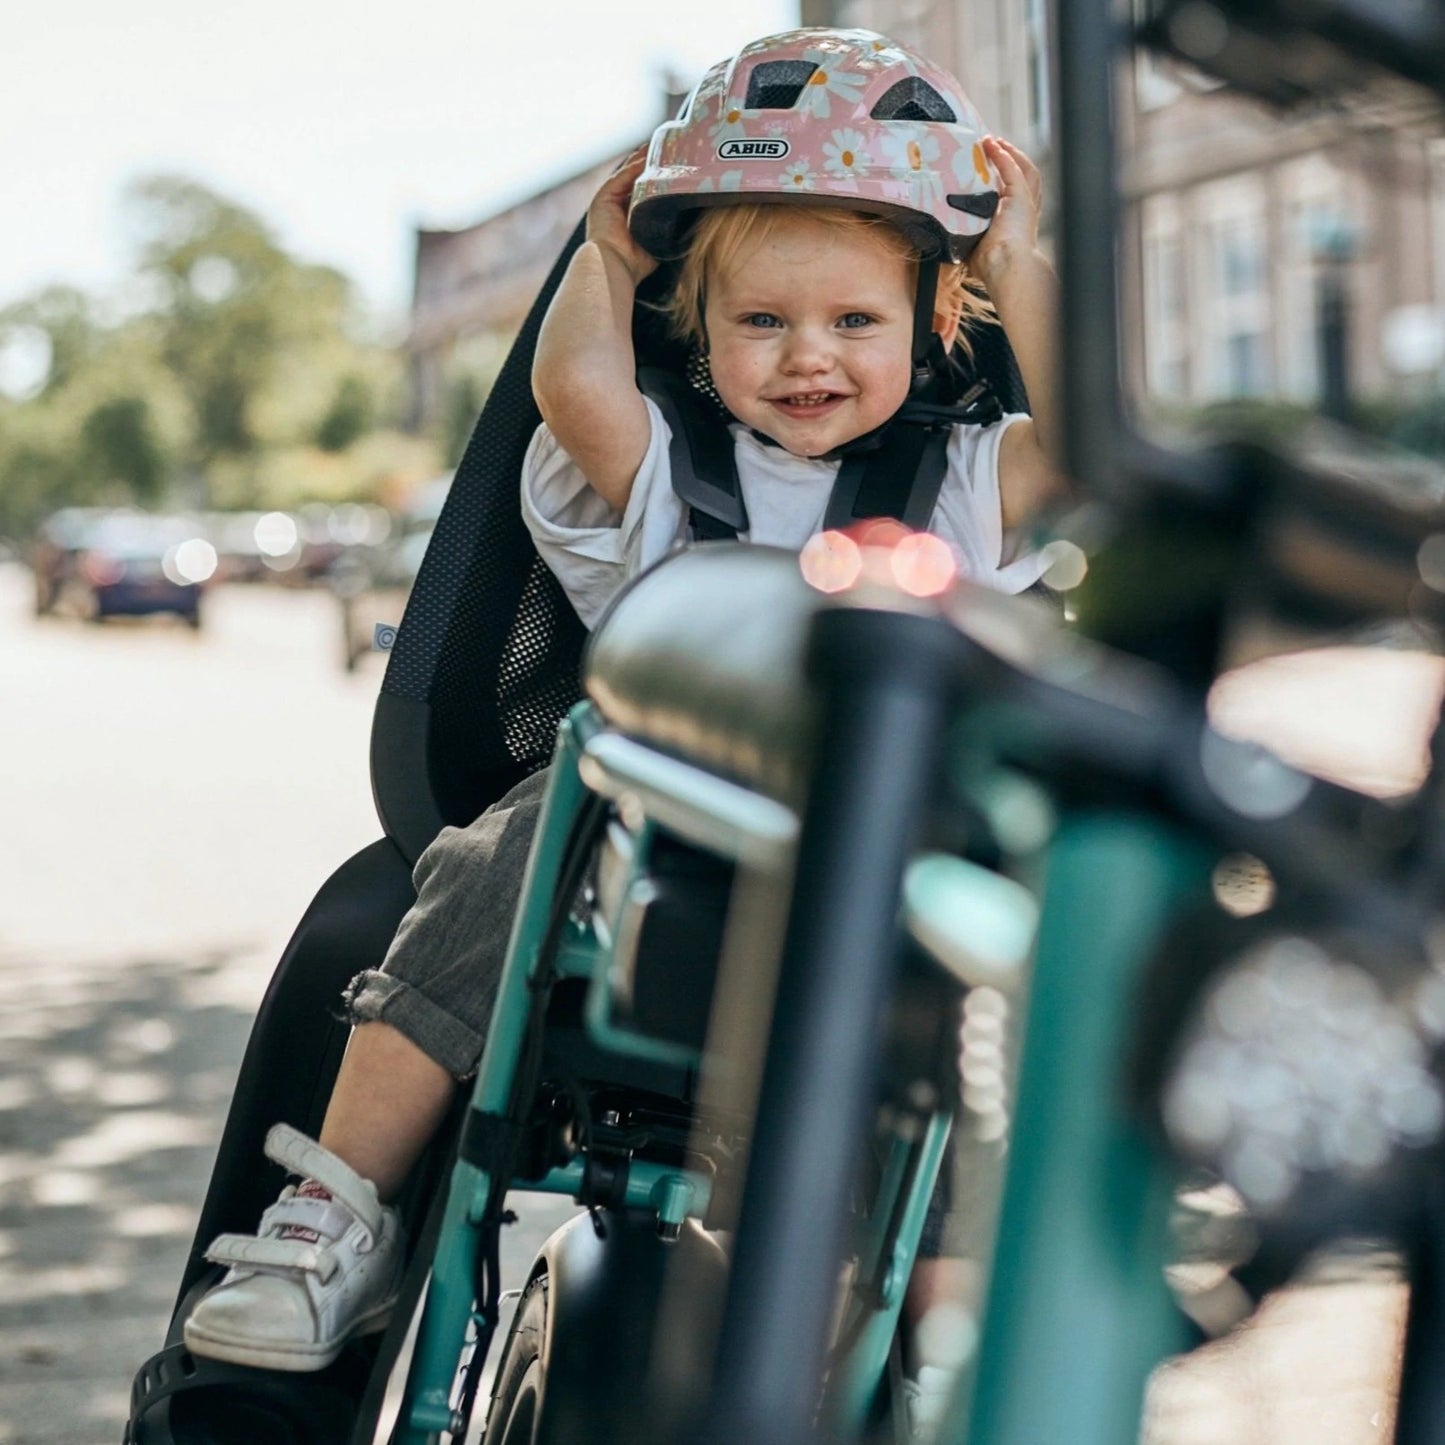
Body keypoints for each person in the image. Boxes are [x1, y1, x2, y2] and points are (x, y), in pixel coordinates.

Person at [182, 26, 1065, 1378]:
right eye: (757, 320)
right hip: (631, 819)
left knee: (985, 958)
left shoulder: (959, 477)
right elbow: (572, 381)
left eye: (853, 321)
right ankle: (334, 1212)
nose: (804, 356)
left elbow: (1074, 441)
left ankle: (946, 1323)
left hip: (879, 834)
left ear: (932, 323)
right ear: (698, 331)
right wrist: (604, 257)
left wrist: (1011, 256)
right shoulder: (665, 465)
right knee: (488, 856)